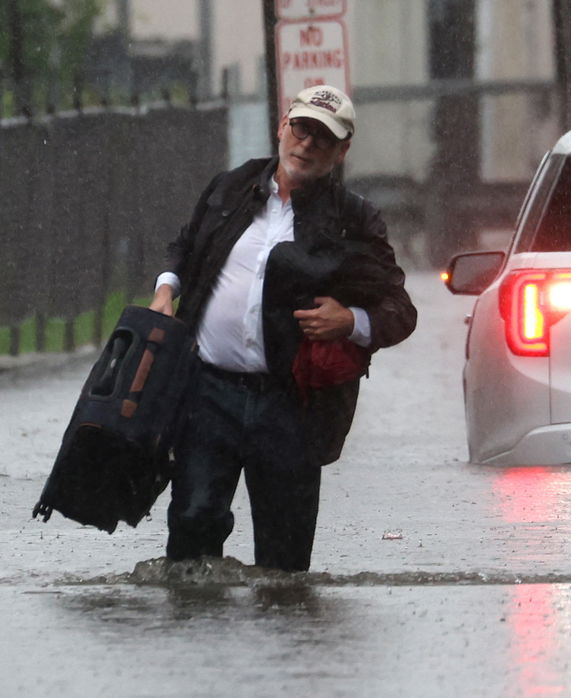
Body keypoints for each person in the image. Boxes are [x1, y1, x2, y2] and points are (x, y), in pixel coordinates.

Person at [150, 84, 416, 572]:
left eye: (324, 136)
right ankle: (192, 639)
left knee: (284, 562)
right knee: (192, 527)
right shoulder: (229, 188)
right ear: (282, 127)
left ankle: (286, 643)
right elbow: (185, 247)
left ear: (343, 151)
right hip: (208, 391)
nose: (308, 144)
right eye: (302, 128)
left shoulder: (353, 218)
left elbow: (400, 310)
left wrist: (349, 322)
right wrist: (167, 287)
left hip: (293, 405)